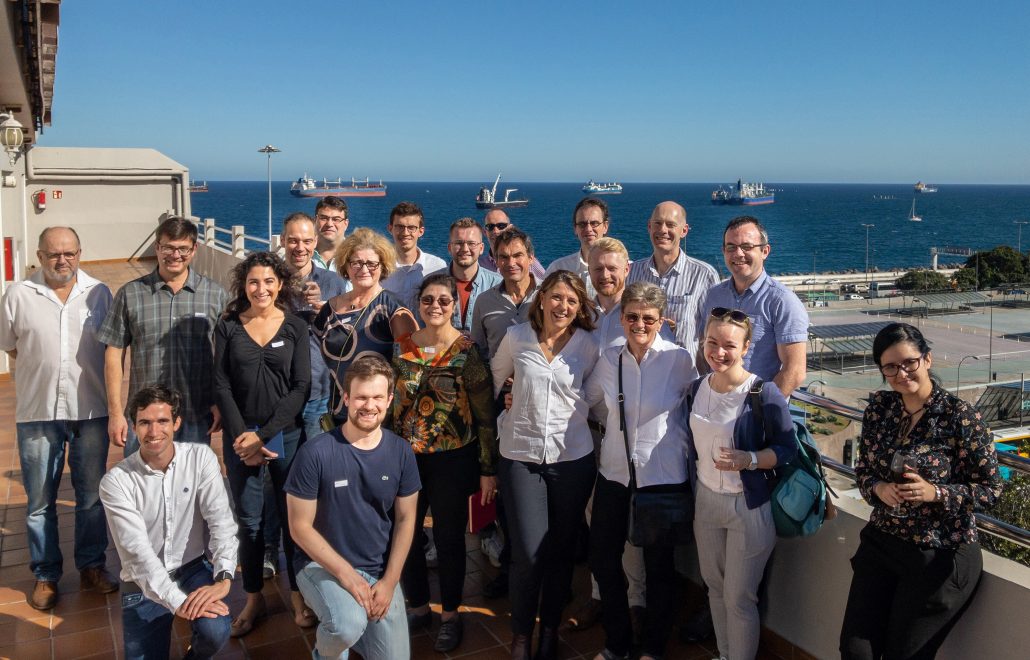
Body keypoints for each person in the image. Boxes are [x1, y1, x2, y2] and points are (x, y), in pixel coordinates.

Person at [840, 322, 1002, 660]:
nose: (901, 373)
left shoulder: (960, 417)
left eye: (909, 362)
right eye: (890, 367)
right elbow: (864, 470)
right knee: (856, 651)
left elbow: (991, 490)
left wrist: (935, 493)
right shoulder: (880, 409)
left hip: (937, 552)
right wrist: (879, 487)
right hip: (883, 542)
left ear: (927, 359)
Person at [0, 227, 118, 610]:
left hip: (91, 410)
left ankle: (92, 566)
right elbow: (10, 346)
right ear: (40, 256)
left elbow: (113, 350)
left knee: (91, 498)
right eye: (54, 254)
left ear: (80, 253)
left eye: (69, 253)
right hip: (38, 412)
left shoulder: (99, 293)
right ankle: (46, 574)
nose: (62, 260)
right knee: (39, 501)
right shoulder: (18, 294)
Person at [386, 273, 499, 652]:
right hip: (406, 461)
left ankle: (450, 615)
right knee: (405, 536)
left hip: (454, 462)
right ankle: (418, 607)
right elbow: (392, 409)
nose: (435, 306)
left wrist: (488, 469)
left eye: (443, 300)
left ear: (454, 305)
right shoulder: (403, 347)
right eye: (428, 300)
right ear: (418, 304)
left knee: (450, 540)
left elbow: (485, 416)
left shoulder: (467, 350)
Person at [491, 270, 600, 660]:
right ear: (541, 299)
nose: (563, 306)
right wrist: (507, 402)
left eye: (571, 300)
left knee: (561, 551)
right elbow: (495, 381)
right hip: (520, 456)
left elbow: (594, 393)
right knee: (527, 554)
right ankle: (521, 636)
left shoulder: (589, 345)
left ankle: (550, 630)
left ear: (579, 306)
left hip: (572, 458)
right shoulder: (516, 336)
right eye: (556, 297)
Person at [585, 281, 695, 660]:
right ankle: (617, 643)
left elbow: (700, 403)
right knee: (603, 559)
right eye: (632, 317)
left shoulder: (679, 360)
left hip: (662, 479)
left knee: (659, 569)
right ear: (622, 318)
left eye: (648, 318)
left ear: (661, 321)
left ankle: (652, 648)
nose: (639, 325)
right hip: (614, 475)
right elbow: (589, 402)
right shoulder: (609, 359)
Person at [286, 354, 420, 660]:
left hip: (376, 569)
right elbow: (299, 527)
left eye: (377, 397)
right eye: (361, 397)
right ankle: (327, 652)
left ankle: (355, 629)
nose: (369, 406)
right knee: (346, 626)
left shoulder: (401, 452)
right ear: (346, 398)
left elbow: (406, 518)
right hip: (321, 565)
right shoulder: (315, 453)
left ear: (389, 400)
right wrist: (347, 575)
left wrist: (390, 581)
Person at [685, 308, 797, 660]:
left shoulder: (762, 393)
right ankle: (724, 654)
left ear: (746, 347)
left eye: (729, 345)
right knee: (715, 589)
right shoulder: (696, 388)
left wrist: (748, 459)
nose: (718, 352)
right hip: (706, 502)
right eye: (711, 342)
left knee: (739, 598)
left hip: (746, 508)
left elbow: (787, 449)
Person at [213, 252, 314, 636]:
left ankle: (299, 594)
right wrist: (245, 438)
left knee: (293, 521)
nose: (261, 289)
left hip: (285, 436)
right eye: (253, 281)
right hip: (240, 439)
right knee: (250, 522)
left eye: (269, 281)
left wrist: (264, 435)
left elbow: (301, 387)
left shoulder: (295, 326)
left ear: (280, 284)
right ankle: (253, 597)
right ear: (244, 285)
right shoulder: (228, 326)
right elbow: (221, 384)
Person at [100, 385, 238, 660]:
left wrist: (224, 577)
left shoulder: (200, 459)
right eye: (145, 423)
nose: (154, 432)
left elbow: (221, 521)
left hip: (192, 568)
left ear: (176, 423)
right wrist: (179, 602)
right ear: (134, 427)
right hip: (142, 582)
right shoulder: (116, 482)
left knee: (215, 629)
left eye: (162, 421)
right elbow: (137, 554)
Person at [99, 216, 228, 455]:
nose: (175, 255)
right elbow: (114, 354)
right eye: (168, 247)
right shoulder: (130, 294)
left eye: (183, 249)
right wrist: (115, 413)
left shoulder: (215, 294)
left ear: (194, 249)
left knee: (190, 478)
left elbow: (224, 355)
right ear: (157, 247)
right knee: (140, 478)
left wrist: (219, 401)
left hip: (195, 414)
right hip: (144, 417)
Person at [312, 227, 418, 426]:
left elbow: (412, 368)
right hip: (335, 414)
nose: (364, 269)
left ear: (382, 266)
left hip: (374, 418)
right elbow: (314, 357)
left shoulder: (392, 309)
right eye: (356, 263)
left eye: (371, 263)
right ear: (346, 266)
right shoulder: (330, 308)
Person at [700, 215, 808, 397]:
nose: (738, 254)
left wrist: (758, 407)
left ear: (765, 251)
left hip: (756, 409)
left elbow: (794, 371)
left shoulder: (782, 301)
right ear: (723, 251)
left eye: (747, 247)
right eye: (731, 247)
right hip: (714, 403)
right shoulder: (714, 296)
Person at [627, 201, 718, 356]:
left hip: (685, 369)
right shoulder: (632, 272)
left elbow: (713, 332)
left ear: (684, 230)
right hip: (640, 367)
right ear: (649, 227)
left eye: (670, 225)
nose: (663, 230)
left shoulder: (704, 275)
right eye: (657, 223)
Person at [470, 226, 541, 360]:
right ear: (496, 261)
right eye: (504, 257)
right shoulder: (484, 301)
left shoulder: (549, 295)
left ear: (531, 258)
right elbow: (479, 351)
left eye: (517, 255)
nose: (511, 263)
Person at [430, 217, 502, 335]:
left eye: (471, 243)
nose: (465, 249)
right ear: (449, 248)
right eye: (458, 243)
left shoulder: (498, 285)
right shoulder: (430, 284)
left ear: (481, 248)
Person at [381, 201, 447, 312]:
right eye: (400, 227)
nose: (405, 233)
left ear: (421, 231)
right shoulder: (379, 266)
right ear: (390, 229)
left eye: (411, 227)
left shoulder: (438, 267)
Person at [544, 197, 611, 299]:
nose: (588, 229)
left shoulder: (624, 269)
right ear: (575, 228)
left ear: (605, 226)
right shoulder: (558, 268)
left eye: (594, 223)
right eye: (582, 224)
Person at [479, 209, 545, 279]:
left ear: (510, 228)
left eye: (501, 226)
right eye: (490, 227)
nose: (495, 231)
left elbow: (547, 282)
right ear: (484, 232)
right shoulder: (480, 266)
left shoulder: (528, 262)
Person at [312, 196, 351, 272]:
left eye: (336, 219)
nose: (329, 224)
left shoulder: (356, 254)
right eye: (323, 218)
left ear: (346, 224)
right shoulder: (303, 253)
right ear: (315, 221)